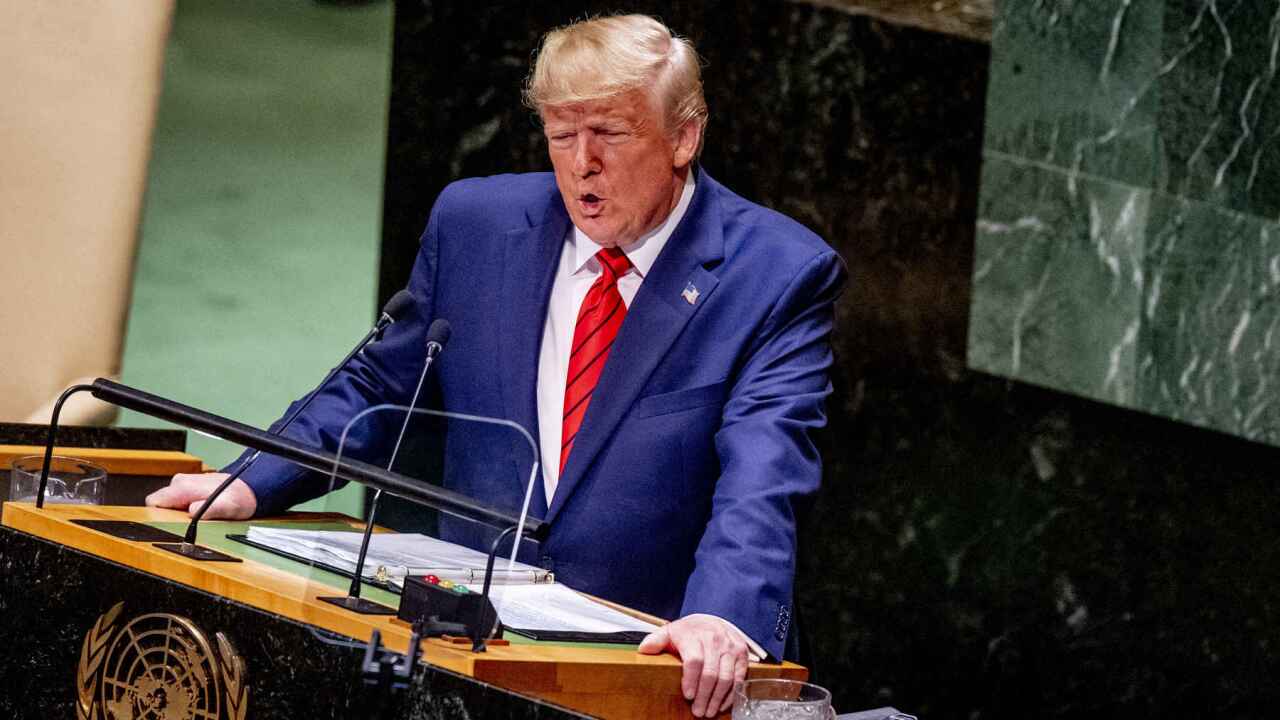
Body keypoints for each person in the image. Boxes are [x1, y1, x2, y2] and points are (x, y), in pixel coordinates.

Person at [147, 14, 844, 717]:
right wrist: (250, 480)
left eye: (610, 133)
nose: (581, 163)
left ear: (684, 137)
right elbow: (380, 383)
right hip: (468, 656)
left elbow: (765, 471)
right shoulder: (475, 225)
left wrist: (722, 616)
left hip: (646, 670)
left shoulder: (776, 275)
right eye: (562, 135)